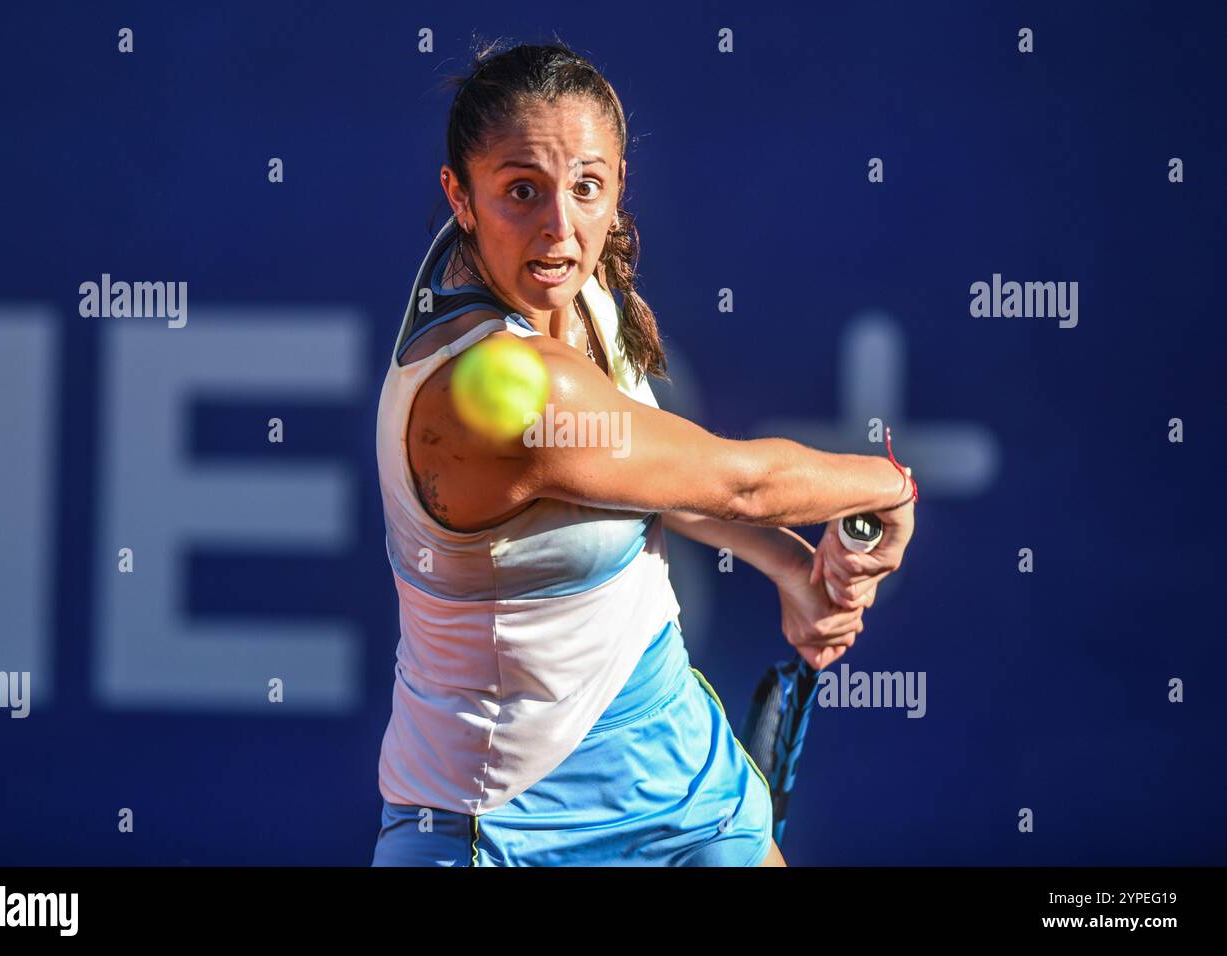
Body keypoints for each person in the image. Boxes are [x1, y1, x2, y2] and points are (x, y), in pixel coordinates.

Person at [371, 40, 917, 867]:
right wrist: (889, 486)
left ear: (619, 183)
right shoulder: (495, 388)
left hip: (673, 753)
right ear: (461, 195)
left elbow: (652, 484)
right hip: (495, 817)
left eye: (587, 187)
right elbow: (739, 483)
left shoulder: (574, 288)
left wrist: (787, 570)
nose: (561, 225)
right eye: (522, 191)